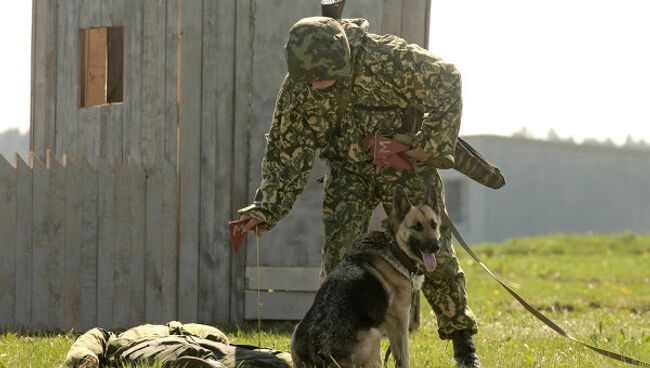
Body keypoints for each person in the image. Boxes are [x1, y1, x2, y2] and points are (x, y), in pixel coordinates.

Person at [238, 16, 481, 368]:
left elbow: (448, 79)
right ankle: (333, 348)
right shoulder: (298, 86)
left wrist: (425, 145)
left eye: (325, 77)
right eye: (311, 79)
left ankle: (463, 347)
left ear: (343, 58)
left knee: (434, 255)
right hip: (348, 171)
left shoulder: (386, 58)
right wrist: (266, 208)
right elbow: (285, 151)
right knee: (340, 262)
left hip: (403, 167)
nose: (318, 85)